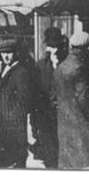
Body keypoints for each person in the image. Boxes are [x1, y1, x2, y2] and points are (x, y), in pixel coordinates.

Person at [55, 32, 89, 169]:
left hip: (65, 128)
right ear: (88, 48)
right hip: (83, 130)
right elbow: (85, 99)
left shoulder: (60, 67)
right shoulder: (81, 68)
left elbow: (54, 97)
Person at [0, 39, 35, 168]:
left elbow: (23, 104)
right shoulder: (5, 70)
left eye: (9, 53)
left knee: (14, 164)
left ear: (16, 53)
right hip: (2, 129)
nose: (5, 56)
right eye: (3, 53)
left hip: (13, 130)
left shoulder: (21, 73)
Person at [32, 27, 66, 168]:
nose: (54, 50)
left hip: (63, 114)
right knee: (49, 155)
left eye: (56, 46)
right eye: (51, 46)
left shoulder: (65, 62)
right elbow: (36, 94)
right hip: (45, 115)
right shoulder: (40, 65)